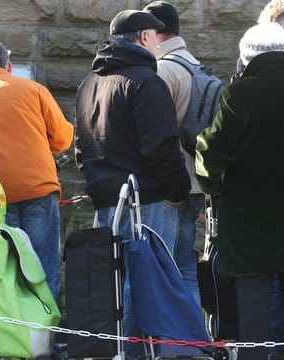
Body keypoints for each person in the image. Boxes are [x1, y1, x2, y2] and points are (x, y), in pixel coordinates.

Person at [74, 10, 190, 357]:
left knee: (110, 287)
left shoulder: (88, 83)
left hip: (106, 198)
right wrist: (178, 191)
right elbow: (162, 146)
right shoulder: (145, 81)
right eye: (156, 36)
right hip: (148, 199)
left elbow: (80, 144)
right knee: (148, 287)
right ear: (143, 38)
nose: (159, 43)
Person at [195, 22, 284, 360]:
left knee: (254, 313)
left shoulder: (242, 94)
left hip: (250, 224)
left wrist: (212, 183)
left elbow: (212, 155)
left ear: (247, 56)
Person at [0, 38, 73, 299]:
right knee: (42, 265)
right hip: (38, 188)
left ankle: (10, 334)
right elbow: (62, 138)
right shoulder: (33, 90)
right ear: (9, 66)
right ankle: (43, 336)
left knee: (5, 269)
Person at [143, 0, 204, 308]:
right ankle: (194, 344)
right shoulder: (195, 64)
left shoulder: (163, 70)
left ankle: (173, 344)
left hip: (172, 187)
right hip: (197, 183)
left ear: (156, 32)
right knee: (187, 269)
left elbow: (158, 133)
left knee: (166, 270)